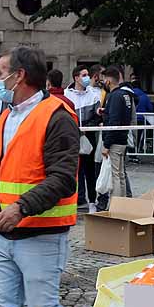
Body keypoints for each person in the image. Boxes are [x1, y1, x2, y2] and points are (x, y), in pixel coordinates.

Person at [0, 46, 113, 307]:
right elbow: (0, 178)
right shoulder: (7, 117)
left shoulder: (57, 115)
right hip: (7, 232)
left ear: (19, 75)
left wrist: (22, 208)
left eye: (0, 71)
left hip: (41, 232)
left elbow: (63, 179)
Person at [65, 66, 102, 212]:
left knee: (89, 170)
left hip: (89, 136)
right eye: (84, 75)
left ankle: (92, 200)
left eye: (88, 75)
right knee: (74, 169)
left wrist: (87, 127)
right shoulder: (66, 94)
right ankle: (76, 199)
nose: (87, 77)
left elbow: (97, 115)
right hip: (72, 136)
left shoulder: (93, 95)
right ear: (76, 78)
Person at [100, 66, 135, 203]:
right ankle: (123, 202)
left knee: (115, 175)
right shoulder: (125, 95)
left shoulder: (114, 96)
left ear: (108, 80)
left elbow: (114, 121)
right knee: (120, 174)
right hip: (122, 138)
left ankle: (116, 205)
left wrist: (107, 144)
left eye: (104, 80)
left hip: (114, 141)